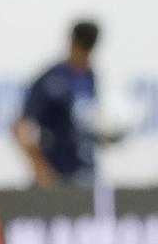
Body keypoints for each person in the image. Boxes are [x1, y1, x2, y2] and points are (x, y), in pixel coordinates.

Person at [14, 20, 107, 184]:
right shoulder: (53, 78)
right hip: (57, 174)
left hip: (86, 173)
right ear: (71, 43)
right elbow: (20, 126)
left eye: (87, 50)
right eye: (80, 48)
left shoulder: (89, 75)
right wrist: (41, 168)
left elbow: (87, 120)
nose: (83, 55)